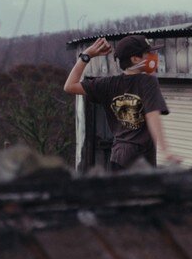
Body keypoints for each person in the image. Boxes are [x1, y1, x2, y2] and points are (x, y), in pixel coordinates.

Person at [63, 35, 177, 170]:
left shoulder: (108, 84)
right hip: (139, 161)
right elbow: (152, 115)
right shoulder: (148, 81)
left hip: (118, 157)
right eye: (148, 53)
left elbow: (69, 86)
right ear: (135, 59)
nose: (153, 56)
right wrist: (166, 151)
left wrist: (87, 55)